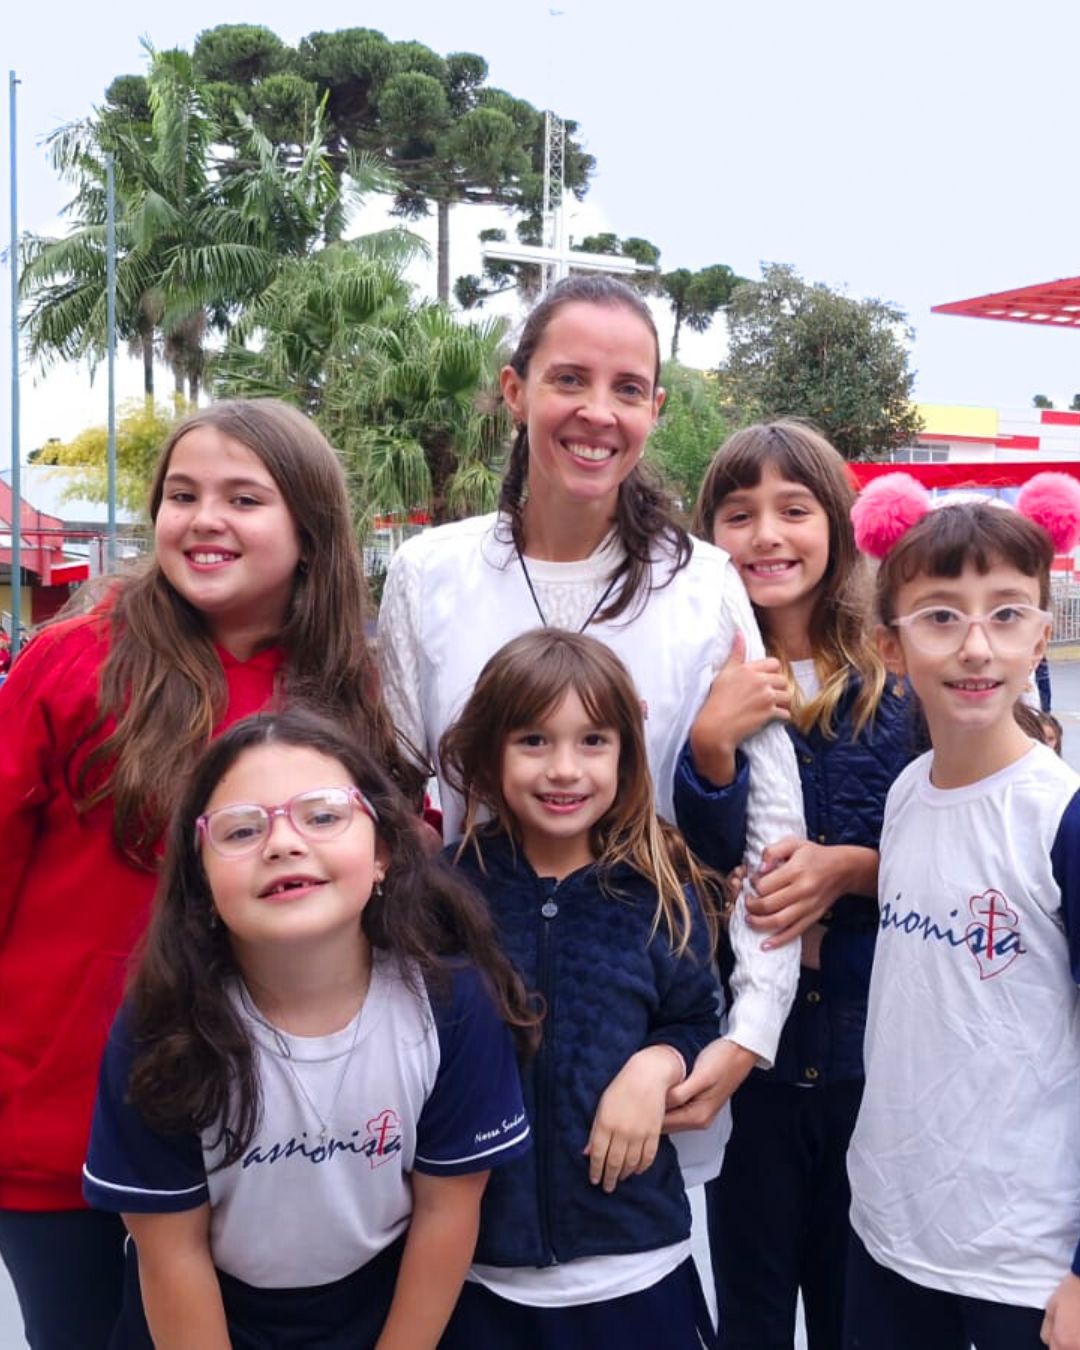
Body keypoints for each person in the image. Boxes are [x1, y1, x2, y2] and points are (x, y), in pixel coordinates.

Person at [0, 399, 423, 1349]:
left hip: (252, 1134)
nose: (204, 519)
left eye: (244, 497)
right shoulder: (77, 661)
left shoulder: (348, 688)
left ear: (309, 531)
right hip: (55, 1116)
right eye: (182, 495)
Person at [379, 274, 804, 1116]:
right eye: (569, 379)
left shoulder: (704, 584)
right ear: (515, 390)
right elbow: (392, 797)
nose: (597, 413)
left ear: (656, 411)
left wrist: (751, 1026)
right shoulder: (430, 575)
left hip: (646, 1032)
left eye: (628, 389)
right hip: (472, 1019)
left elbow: (773, 832)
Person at [83, 708, 534, 1348]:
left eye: (322, 815)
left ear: (382, 852)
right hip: (205, 1312)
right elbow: (172, 1252)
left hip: (386, 1305)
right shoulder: (162, 1026)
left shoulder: (450, 1004)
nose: (283, 842)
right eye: (240, 831)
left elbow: (446, 1212)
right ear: (201, 882)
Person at [668, 421, 916, 1348]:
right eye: (739, 514)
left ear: (837, 526)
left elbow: (954, 852)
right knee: (754, 1303)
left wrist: (853, 870)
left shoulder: (899, 676)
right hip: (753, 1050)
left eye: (793, 510)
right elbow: (692, 853)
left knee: (862, 1303)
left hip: (873, 1048)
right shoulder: (702, 677)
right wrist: (710, 748)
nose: (767, 534)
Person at [844, 472, 1080, 1350]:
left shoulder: (1061, 817)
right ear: (892, 647)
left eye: (1006, 614)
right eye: (941, 616)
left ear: (1038, 640)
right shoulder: (906, 793)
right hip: (890, 1225)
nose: (976, 646)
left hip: (1018, 1257)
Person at [436, 630, 722, 1348]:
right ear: (489, 751)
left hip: (635, 1269)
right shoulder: (444, 893)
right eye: (534, 740)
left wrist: (658, 1064)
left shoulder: (662, 892)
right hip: (476, 1275)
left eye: (592, 741)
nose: (565, 769)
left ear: (625, 753)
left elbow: (695, 1018)